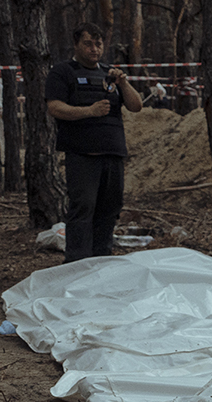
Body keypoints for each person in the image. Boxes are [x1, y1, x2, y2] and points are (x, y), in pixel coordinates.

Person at [45, 23, 142, 264]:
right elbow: (54, 107)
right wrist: (89, 111)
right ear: (76, 44)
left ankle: (102, 261)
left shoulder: (110, 74)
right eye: (88, 43)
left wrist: (124, 83)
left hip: (113, 151)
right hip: (82, 153)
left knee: (110, 209)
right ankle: (77, 264)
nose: (94, 49)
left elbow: (136, 105)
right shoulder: (63, 72)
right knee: (83, 208)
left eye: (98, 44)